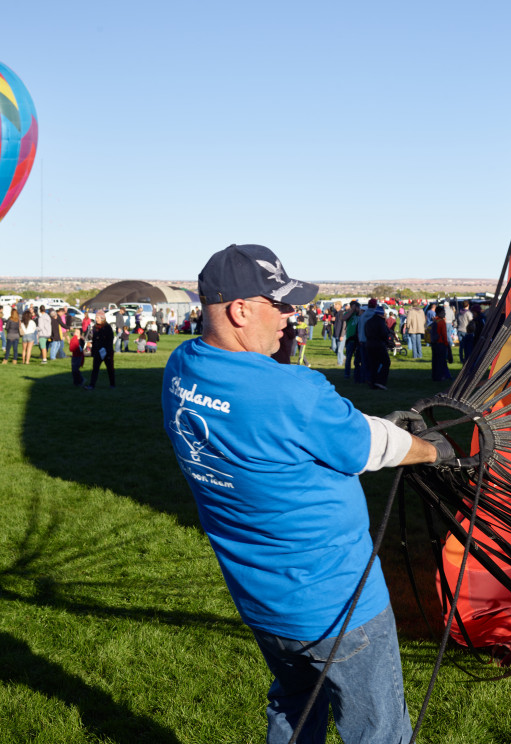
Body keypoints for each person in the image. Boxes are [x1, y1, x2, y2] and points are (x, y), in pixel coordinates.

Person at [161, 243, 455, 744]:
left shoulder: (182, 368)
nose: (291, 316)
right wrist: (433, 451)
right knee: (378, 732)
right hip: (336, 602)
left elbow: (299, 430)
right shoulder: (289, 390)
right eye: (280, 304)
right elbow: (364, 448)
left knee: (296, 710)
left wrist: (371, 427)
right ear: (240, 310)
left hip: (259, 598)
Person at [85, 309, 115, 389]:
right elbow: (94, 339)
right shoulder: (95, 327)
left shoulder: (107, 327)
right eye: (96, 317)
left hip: (107, 351)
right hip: (97, 351)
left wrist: (106, 349)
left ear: (102, 318)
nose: (96, 319)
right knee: (95, 369)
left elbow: (110, 339)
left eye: (97, 317)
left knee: (110, 369)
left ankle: (112, 384)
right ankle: (92, 385)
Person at [429, 305, 452, 382]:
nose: (444, 313)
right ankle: (441, 376)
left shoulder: (435, 320)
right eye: (443, 312)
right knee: (441, 361)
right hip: (441, 343)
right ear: (440, 313)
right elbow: (444, 334)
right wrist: (446, 344)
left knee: (435, 361)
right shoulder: (441, 322)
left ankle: (435, 376)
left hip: (434, 343)